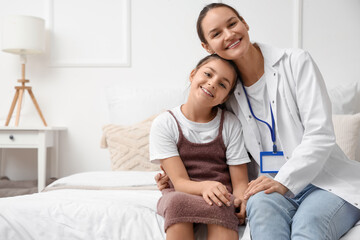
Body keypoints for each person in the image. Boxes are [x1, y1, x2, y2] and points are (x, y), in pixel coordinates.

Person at [156, 3, 360, 240]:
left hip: (325, 183)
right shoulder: (224, 91)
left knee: (308, 226)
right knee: (261, 216)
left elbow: (320, 135)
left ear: (244, 23)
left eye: (232, 23)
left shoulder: (296, 62)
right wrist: (173, 179)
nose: (229, 34)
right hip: (267, 189)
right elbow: (208, 141)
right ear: (206, 46)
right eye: (216, 33)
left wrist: (284, 181)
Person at [149, 54, 251, 240]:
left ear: (225, 98)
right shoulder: (164, 123)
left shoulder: (230, 124)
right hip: (181, 193)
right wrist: (206, 187)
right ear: (193, 75)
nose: (212, 83)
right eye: (208, 74)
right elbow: (179, 182)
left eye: (222, 84)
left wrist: (241, 201)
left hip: (219, 196)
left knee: (223, 203)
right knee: (177, 202)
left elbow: (239, 182)